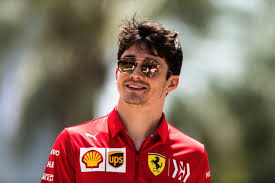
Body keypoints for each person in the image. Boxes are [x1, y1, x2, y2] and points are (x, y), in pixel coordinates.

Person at [41, 17, 211, 183]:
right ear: (117, 73)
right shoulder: (73, 142)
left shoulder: (194, 155)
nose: (135, 74)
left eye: (149, 68)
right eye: (127, 64)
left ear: (171, 83)